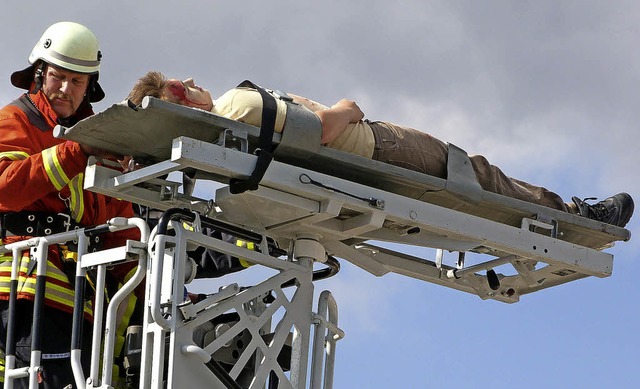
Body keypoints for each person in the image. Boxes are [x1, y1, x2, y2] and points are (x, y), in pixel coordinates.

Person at [127, 71, 634, 228]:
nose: (191, 81)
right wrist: (349, 107)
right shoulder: (236, 104)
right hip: (374, 145)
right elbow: (317, 130)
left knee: (474, 186)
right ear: (173, 98)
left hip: (358, 168)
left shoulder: (223, 140)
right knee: (475, 173)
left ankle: (564, 211)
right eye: (180, 82)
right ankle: (573, 211)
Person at [0, 22, 141, 388]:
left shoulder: (97, 142)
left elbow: (119, 233)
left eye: (77, 82)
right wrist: (77, 152)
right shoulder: (14, 121)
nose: (65, 89)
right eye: (58, 77)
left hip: (78, 306)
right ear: (39, 74)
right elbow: (6, 189)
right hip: (21, 294)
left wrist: (164, 288)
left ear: (89, 87)